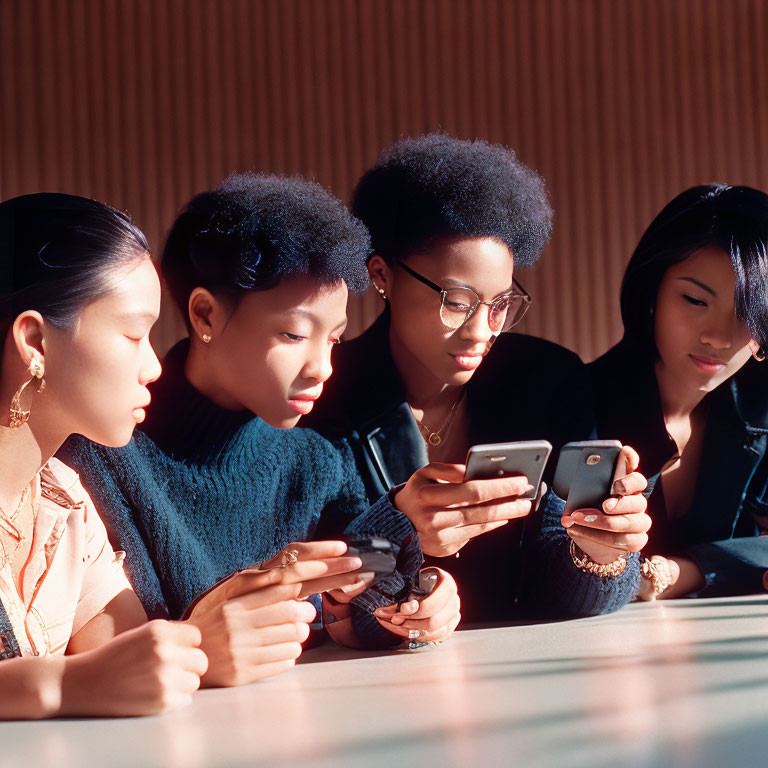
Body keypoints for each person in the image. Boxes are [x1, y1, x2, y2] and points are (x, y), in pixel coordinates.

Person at [61, 173, 461, 675]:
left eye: (333, 339)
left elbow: (356, 611)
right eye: (294, 334)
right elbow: (127, 654)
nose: (322, 368)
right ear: (205, 316)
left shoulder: (316, 459)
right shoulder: (103, 452)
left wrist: (415, 602)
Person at [304, 134, 649, 621]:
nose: (480, 333)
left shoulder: (548, 380)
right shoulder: (323, 396)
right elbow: (311, 575)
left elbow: (567, 595)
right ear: (382, 275)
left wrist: (602, 554)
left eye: (500, 305)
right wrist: (401, 534)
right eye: (458, 302)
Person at [0, 193, 208, 719]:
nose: (154, 367)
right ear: (35, 341)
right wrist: (60, 688)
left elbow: (126, 661)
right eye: (134, 334)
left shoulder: (65, 500)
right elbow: (92, 679)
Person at [544, 184, 768, 608]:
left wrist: (677, 573)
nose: (718, 337)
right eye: (695, 299)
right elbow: (548, 566)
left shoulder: (759, 409)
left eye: (749, 312)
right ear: (652, 293)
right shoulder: (576, 400)